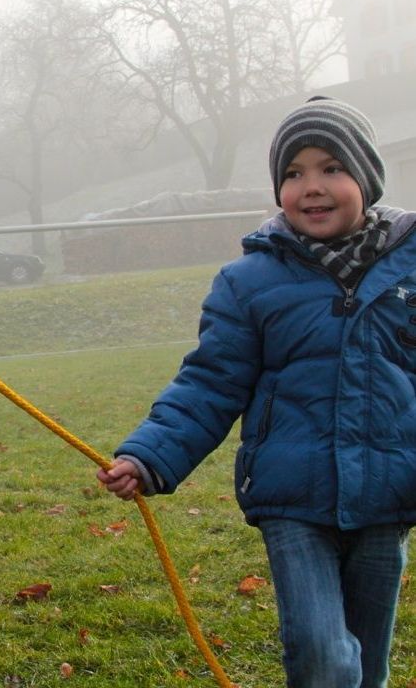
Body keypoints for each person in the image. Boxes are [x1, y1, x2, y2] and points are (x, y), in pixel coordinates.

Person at [97, 96, 415, 688]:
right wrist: (150, 454)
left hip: (388, 492)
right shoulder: (250, 282)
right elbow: (210, 381)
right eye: (293, 173)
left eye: (331, 168)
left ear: (367, 178)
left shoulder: (409, 272)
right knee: (326, 659)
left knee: (368, 665)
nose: (311, 186)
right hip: (293, 497)